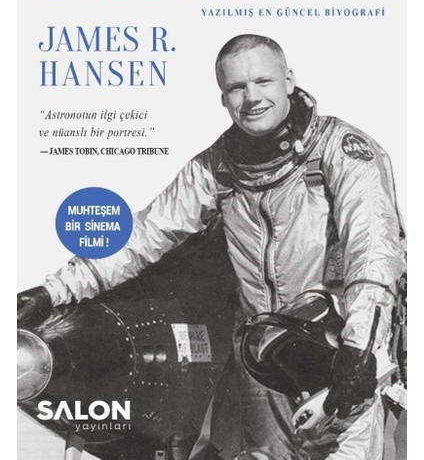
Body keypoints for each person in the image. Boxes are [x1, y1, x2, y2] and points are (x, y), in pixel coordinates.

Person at [18, 34, 406, 460]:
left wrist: (358, 351)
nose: (251, 97)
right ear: (223, 98)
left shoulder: (342, 151)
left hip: (341, 357)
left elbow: (373, 256)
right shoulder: (216, 167)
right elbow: (143, 236)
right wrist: (52, 291)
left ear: (289, 81)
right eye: (237, 88)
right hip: (265, 367)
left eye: (263, 81)